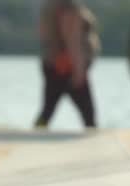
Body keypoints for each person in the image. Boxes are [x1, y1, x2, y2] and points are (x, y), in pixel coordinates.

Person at [34, 0, 100, 129]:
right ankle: (92, 142)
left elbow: (42, 33)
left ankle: (36, 131)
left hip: (53, 64)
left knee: (47, 110)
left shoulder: (48, 5)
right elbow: (72, 38)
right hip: (67, 67)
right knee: (88, 114)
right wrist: (79, 70)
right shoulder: (67, 5)